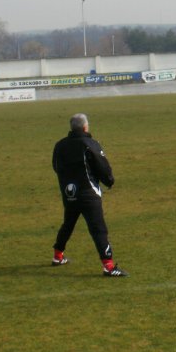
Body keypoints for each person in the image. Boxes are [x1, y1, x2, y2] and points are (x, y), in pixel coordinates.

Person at [51, 113, 128, 277]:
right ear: (85, 127)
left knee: (68, 224)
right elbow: (102, 167)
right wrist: (109, 181)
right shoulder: (90, 144)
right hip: (89, 194)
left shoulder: (59, 145)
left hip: (69, 193)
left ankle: (58, 256)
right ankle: (108, 266)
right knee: (98, 229)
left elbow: (56, 167)